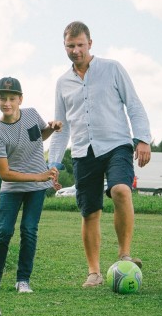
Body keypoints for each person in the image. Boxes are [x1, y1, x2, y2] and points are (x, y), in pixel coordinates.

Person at [48, 21, 152, 288]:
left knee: (121, 190)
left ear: (90, 43)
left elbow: (134, 105)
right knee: (90, 212)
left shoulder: (113, 69)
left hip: (117, 144)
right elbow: (62, 127)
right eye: (70, 46)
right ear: (64, 46)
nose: (75, 51)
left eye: (80, 45)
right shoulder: (62, 83)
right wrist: (54, 163)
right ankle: (94, 272)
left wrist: (143, 139)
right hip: (84, 151)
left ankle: (124, 256)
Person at [0, 77, 62, 294]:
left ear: (20, 99)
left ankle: (23, 281)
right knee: (3, 232)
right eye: (2, 98)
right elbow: (5, 174)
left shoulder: (31, 114)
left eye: (12, 98)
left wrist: (52, 128)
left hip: (36, 190)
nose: (7, 103)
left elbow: (39, 136)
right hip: (13, 189)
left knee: (29, 230)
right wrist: (39, 177)